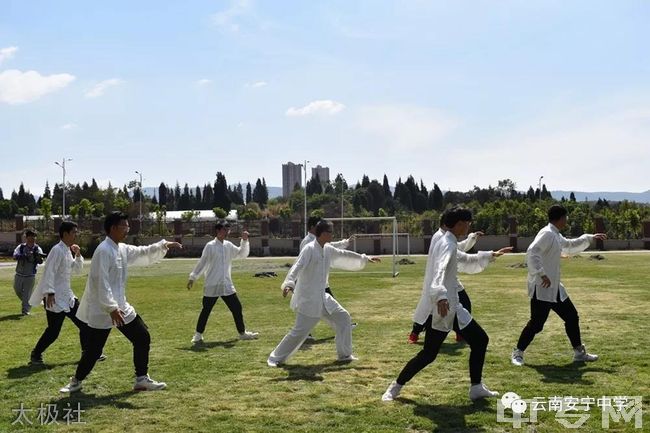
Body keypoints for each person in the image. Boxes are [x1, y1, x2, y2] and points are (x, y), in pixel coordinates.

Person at [382, 208, 508, 402]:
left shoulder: (448, 240)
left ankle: (476, 387)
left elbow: (464, 259)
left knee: (480, 340)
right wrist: (440, 296)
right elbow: (439, 271)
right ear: (459, 224)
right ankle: (395, 387)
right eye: (468, 223)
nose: (469, 226)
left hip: (453, 306)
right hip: (441, 306)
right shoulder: (446, 243)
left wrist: (490, 255)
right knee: (429, 354)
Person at [59, 212, 182, 393]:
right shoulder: (103, 251)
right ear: (113, 228)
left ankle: (141, 379)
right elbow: (102, 282)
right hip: (103, 308)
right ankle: (76, 381)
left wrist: (163, 245)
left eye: (127, 226)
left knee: (142, 337)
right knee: (93, 350)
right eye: (124, 226)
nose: (127, 229)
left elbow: (142, 251)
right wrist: (111, 307)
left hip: (120, 307)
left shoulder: (121, 248)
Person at [267, 220, 380, 367]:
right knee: (298, 333)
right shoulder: (309, 249)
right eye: (331, 232)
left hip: (323, 298)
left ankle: (344, 355)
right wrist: (289, 283)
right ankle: (274, 358)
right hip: (308, 299)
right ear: (324, 233)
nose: (332, 234)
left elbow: (344, 254)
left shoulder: (327, 249)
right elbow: (297, 267)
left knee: (343, 318)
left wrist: (364, 258)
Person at [510, 205, 607, 366]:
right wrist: (541, 273)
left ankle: (578, 352)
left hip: (555, 288)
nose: (567, 221)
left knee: (571, 316)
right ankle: (518, 352)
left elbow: (569, 245)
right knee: (536, 324)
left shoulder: (555, 234)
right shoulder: (547, 234)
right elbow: (532, 252)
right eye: (566, 218)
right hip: (542, 286)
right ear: (560, 218)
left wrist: (590, 237)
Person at [28, 221, 106, 365]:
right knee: (53, 331)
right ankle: (36, 354)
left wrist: (77, 255)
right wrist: (50, 293)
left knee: (84, 322)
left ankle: (88, 353)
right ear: (65, 234)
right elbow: (49, 271)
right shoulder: (57, 250)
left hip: (68, 296)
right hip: (55, 298)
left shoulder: (67, 250)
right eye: (74, 232)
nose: (76, 235)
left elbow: (76, 270)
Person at [407, 212, 485, 344]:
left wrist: (473, 239)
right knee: (433, 310)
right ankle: (416, 334)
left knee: (436, 310)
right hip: (441, 282)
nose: (467, 226)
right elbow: (450, 258)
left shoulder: (446, 237)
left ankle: (457, 334)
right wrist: (440, 292)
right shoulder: (441, 238)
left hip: (446, 281)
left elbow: (457, 250)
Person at [187, 220, 258, 344]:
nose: (227, 232)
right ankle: (198, 335)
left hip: (226, 284)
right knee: (206, 310)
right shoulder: (210, 246)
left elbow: (241, 254)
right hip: (212, 284)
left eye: (228, 230)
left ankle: (242, 333)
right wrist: (193, 277)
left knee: (237, 307)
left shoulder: (228, 245)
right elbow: (202, 262)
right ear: (218, 231)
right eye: (225, 230)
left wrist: (245, 241)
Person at [300, 216, 357, 341]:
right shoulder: (307, 242)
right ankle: (341, 326)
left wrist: (345, 242)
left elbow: (331, 247)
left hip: (321, 284)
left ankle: (343, 326)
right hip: (312, 285)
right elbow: (301, 264)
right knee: (311, 311)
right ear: (312, 227)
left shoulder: (318, 241)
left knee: (327, 308)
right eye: (318, 225)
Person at [13, 229, 45, 315]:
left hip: (30, 275)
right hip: (19, 274)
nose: (33, 238)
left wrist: (38, 258)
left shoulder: (38, 248)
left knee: (27, 293)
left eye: (34, 236)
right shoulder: (21, 247)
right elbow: (15, 256)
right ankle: (30, 300)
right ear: (26, 238)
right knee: (17, 290)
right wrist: (24, 256)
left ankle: (25, 310)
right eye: (31, 236)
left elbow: (41, 262)